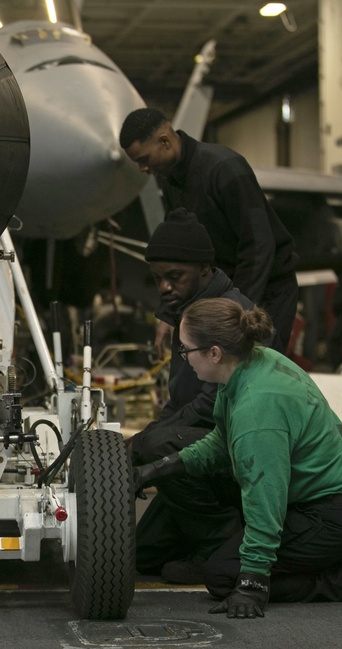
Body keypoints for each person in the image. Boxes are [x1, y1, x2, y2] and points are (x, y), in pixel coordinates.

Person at [134, 298, 342, 618]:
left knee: (223, 576)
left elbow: (266, 498)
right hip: (340, 487)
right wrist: (159, 469)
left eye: (185, 350)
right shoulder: (249, 363)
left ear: (214, 353)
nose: (182, 358)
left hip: (336, 510)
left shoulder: (256, 408)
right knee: (156, 544)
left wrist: (252, 582)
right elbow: (222, 441)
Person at [131, 208, 253, 584]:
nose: (164, 287)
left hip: (234, 449)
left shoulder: (229, 316)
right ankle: (204, 532)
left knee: (156, 446)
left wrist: (144, 445)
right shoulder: (187, 313)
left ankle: (222, 544)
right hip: (203, 444)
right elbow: (180, 401)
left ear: (204, 270)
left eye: (174, 277)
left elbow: (210, 406)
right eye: (158, 279)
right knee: (142, 556)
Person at [119, 108, 299, 356]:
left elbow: (258, 246)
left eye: (143, 159)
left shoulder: (224, 168)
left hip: (266, 289)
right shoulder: (173, 182)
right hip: (224, 294)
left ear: (164, 141)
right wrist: (169, 314)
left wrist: (236, 309)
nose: (142, 168)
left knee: (256, 369)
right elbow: (180, 254)